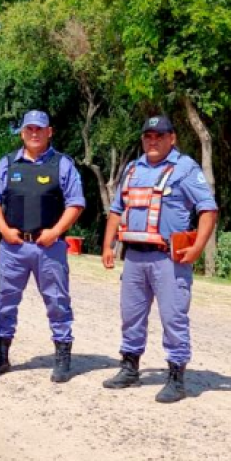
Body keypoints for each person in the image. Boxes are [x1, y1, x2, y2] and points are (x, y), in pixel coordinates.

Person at [101, 115, 217, 403]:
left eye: (160, 136)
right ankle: (129, 368)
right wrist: (108, 245)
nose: (153, 141)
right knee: (131, 316)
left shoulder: (185, 168)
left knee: (173, 318)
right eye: (148, 136)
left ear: (172, 138)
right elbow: (117, 210)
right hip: (135, 258)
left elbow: (208, 210)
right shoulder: (132, 169)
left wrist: (198, 247)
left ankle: (176, 378)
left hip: (169, 259)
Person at [0, 110, 85, 382]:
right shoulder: (7, 164)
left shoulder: (63, 165)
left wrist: (57, 231)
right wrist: (4, 231)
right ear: (22, 132)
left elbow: (75, 203)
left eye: (40, 129)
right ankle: (0, 356)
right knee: (5, 302)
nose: (34, 134)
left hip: (49, 247)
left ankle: (62, 357)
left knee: (57, 301)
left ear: (49, 131)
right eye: (29, 129)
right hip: (13, 247)